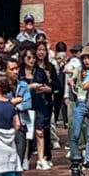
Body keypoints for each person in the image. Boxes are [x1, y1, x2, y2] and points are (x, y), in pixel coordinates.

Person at [26, 41, 59, 169]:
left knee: (45, 128)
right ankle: (27, 156)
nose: (41, 53)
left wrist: (48, 88)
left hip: (45, 101)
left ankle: (46, 156)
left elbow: (57, 85)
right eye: (38, 50)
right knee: (30, 130)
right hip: (30, 102)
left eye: (43, 50)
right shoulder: (29, 69)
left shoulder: (50, 67)